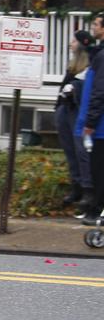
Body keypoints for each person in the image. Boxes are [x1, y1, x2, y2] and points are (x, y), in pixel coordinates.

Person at [55, 30, 92, 211]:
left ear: (81, 45)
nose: (71, 43)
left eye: (74, 41)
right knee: (70, 151)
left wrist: (74, 89)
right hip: (65, 110)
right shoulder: (72, 68)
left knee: (81, 152)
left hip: (77, 112)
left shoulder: (89, 67)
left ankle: (87, 189)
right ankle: (76, 186)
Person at [76, 14, 104, 224]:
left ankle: (96, 212)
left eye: (96, 24)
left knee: (98, 173)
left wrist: (90, 123)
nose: (93, 26)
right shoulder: (99, 53)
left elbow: (99, 92)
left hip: (100, 127)